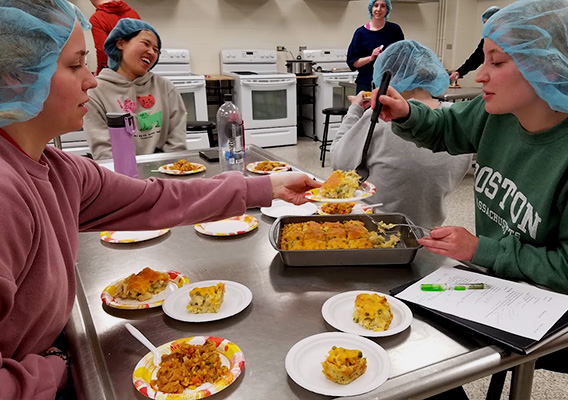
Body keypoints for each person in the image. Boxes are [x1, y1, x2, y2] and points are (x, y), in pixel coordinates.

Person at [0, 1, 320, 398]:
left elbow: (153, 198)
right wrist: (59, 365)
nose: (91, 80)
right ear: (15, 77)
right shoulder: (5, 194)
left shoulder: (58, 169)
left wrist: (266, 187)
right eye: (74, 65)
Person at [331, 40, 472, 229]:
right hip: (429, 230)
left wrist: (355, 109)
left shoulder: (382, 118)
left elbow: (339, 161)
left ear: (387, 76)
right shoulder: (455, 119)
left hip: (376, 230)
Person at [83, 18, 187, 160]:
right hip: (119, 173)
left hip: (165, 170)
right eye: (146, 43)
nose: (151, 52)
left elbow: (176, 142)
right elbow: (104, 151)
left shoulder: (165, 87)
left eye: (156, 50)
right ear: (120, 43)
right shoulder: (96, 92)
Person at [347, 0, 404, 93]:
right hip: (366, 82)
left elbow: (402, 57)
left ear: (387, 9)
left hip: (389, 83)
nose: (378, 9)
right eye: (376, 5)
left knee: (386, 107)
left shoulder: (394, 30)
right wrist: (371, 57)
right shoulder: (360, 33)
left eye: (383, 6)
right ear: (371, 8)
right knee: (364, 107)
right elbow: (353, 63)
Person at [449, 6, 500, 84]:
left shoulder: (509, 41)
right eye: (485, 23)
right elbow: (475, 59)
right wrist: (459, 72)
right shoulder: (486, 41)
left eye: (488, 23)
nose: (486, 27)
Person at [89, 0, 141, 75]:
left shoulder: (97, 18)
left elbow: (103, 51)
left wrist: (101, 73)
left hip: (115, 72)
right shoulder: (133, 13)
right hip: (135, 71)